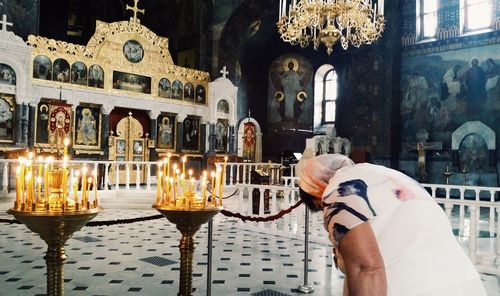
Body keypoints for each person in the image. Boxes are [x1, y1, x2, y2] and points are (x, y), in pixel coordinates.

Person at [297, 154, 487, 296]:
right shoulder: (385, 176)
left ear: (317, 191)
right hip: (465, 282)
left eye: (320, 207)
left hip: (417, 288)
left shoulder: (338, 191)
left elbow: (367, 269)